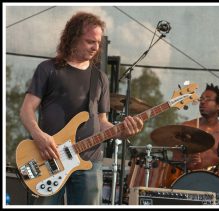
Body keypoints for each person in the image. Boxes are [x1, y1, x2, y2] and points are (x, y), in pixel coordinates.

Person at [19, 12, 143, 205]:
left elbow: (101, 121)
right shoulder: (48, 69)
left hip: (89, 162)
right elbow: (26, 110)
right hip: (50, 158)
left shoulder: (100, 78)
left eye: (98, 42)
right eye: (89, 41)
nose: (96, 47)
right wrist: (39, 135)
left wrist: (122, 132)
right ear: (73, 38)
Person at [173, 83, 219, 171]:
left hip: (216, 181)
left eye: (208, 99)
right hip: (187, 179)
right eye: (201, 99)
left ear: (218, 106)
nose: (202, 102)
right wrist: (188, 161)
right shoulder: (186, 127)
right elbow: (174, 162)